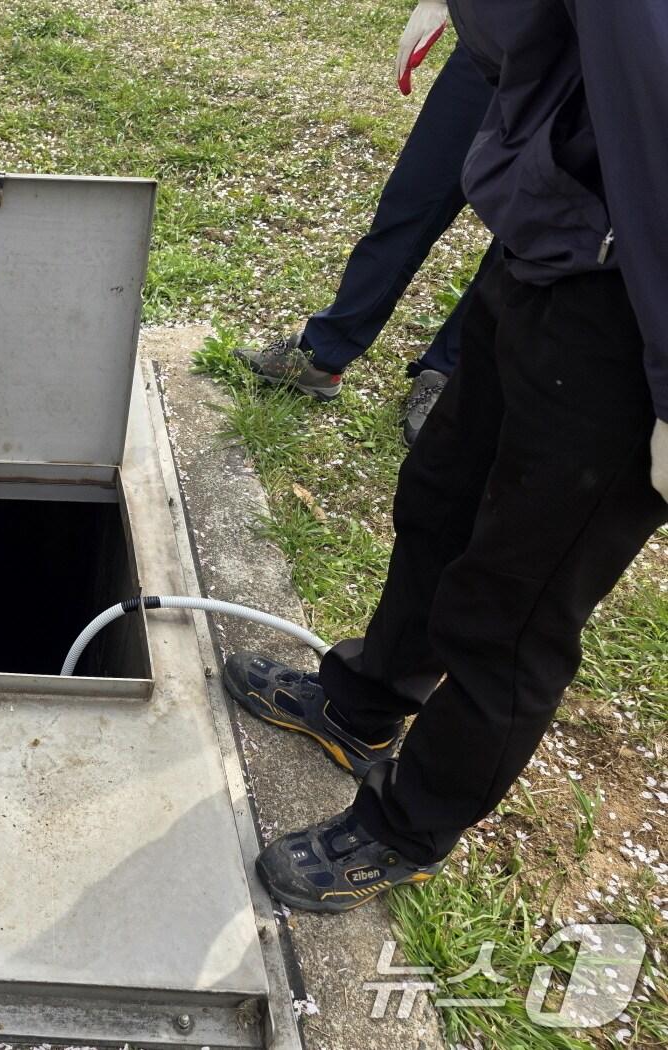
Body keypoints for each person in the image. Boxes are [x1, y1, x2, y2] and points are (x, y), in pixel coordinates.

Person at [225, 1, 668, 913]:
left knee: (514, 604)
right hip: (551, 243)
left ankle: (409, 826)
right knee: (439, 494)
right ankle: (365, 700)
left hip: (634, 319)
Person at [236, 0, 494, 445]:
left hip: (593, 78)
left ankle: (448, 373)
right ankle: (324, 354)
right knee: (413, 200)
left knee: (522, 243)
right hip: (499, 39)